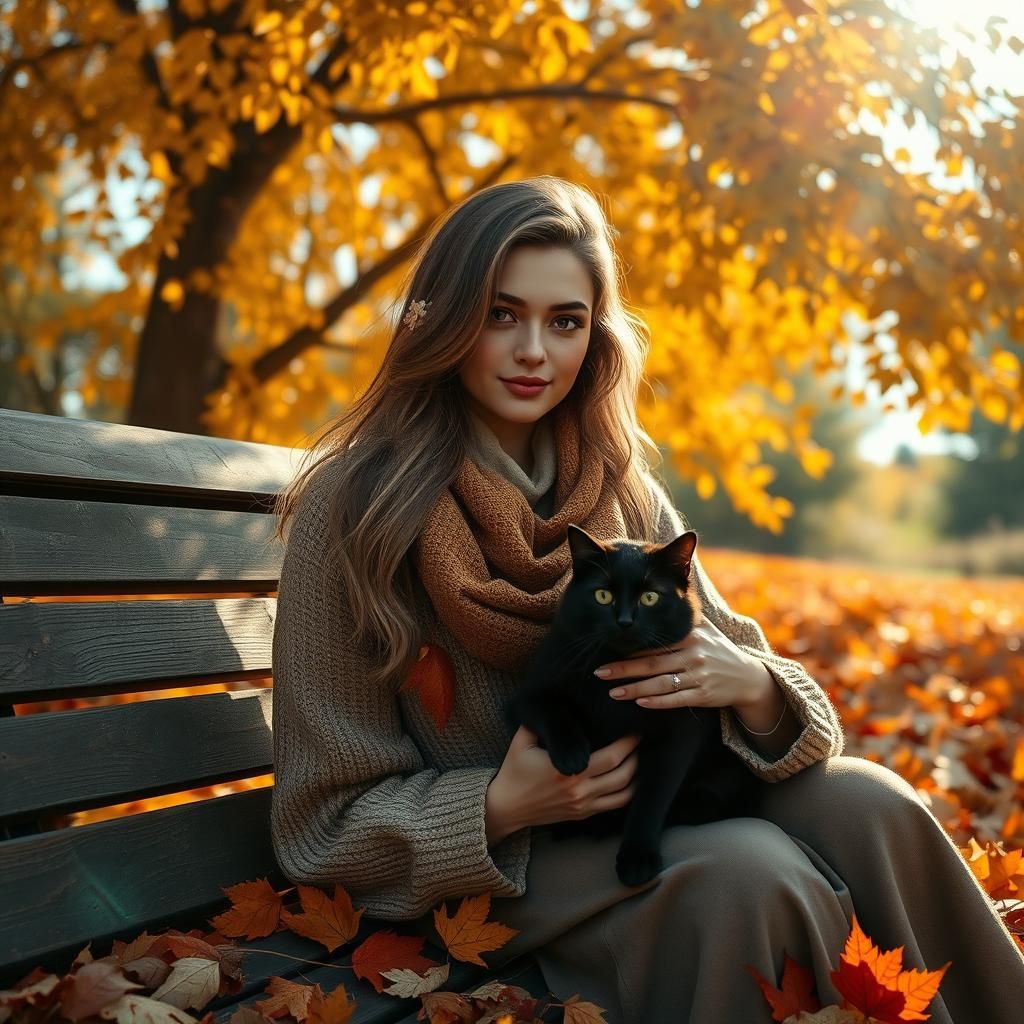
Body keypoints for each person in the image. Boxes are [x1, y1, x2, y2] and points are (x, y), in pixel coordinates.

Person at [269, 176, 1024, 1022]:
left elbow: (775, 697)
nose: (534, 352)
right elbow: (320, 820)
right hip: (496, 876)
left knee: (873, 804)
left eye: (566, 322)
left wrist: (756, 687)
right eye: (500, 314)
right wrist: (498, 802)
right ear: (446, 318)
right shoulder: (357, 508)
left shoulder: (618, 490)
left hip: (650, 815)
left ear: (595, 337)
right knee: (751, 875)